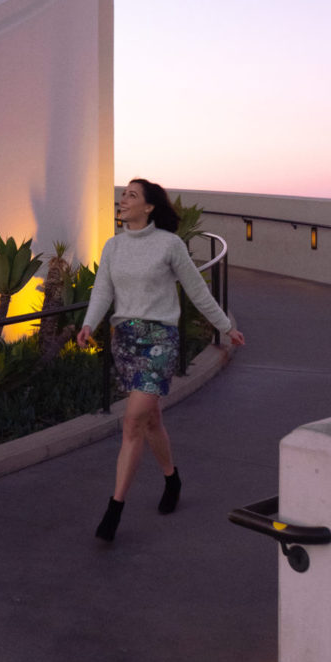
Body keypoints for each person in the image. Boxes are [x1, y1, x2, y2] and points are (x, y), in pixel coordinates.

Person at [77, 178, 245, 542]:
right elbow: (103, 289)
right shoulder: (113, 246)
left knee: (132, 421)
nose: (123, 200)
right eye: (123, 195)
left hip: (160, 341)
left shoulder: (169, 245)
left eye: (131, 196)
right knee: (151, 421)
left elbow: (197, 290)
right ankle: (172, 478)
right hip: (125, 341)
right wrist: (89, 324)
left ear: (149, 207)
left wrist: (224, 326)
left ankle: (114, 509)